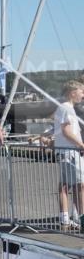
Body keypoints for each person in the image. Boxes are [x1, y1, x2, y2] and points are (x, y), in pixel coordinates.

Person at [54, 81, 84, 231]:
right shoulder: (66, 108)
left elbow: (60, 131)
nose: (83, 95)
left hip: (67, 151)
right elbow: (66, 131)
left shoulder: (66, 108)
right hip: (70, 152)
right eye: (81, 91)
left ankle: (66, 219)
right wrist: (81, 145)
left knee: (67, 186)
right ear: (72, 92)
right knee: (79, 186)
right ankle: (79, 219)